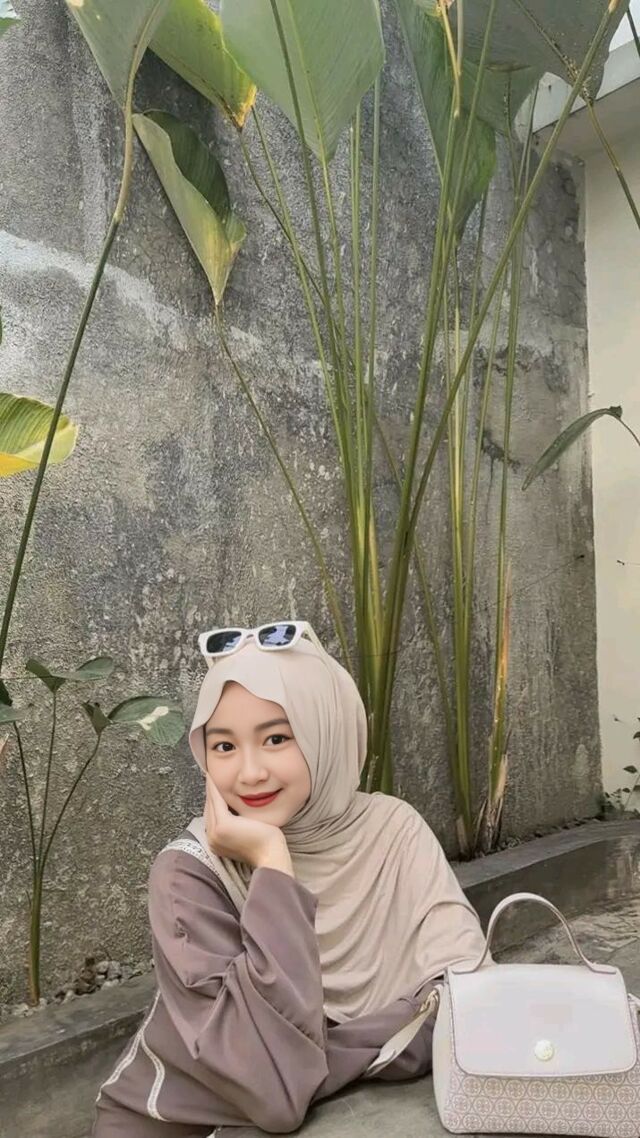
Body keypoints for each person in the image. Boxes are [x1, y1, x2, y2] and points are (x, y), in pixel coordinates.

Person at [92, 622, 487, 1137]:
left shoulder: (392, 831)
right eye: (224, 746)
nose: (250, 773)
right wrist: (272, 862)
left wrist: (311, 1057)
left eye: (276, 738)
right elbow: (273, 1091)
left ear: (326, 732)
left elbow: (468, 1002)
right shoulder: (188, 874)